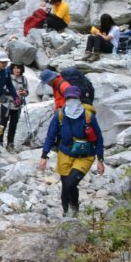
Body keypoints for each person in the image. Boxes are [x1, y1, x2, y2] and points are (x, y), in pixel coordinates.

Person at [38, 86, 104, 218]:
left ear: (79, 99)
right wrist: (44, 156)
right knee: (66, 185)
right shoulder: (60, 116)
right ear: (65, 99)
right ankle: (66, 213)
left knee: (71, 183)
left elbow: (99, 138)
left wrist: (100, 160)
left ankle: (74, 207)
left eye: (74, 98)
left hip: (85, 156)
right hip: (65, 154)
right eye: (69, 98)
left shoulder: (89, 117)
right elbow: (51, 136)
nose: (71, 100)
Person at [0, 63, 28, 151]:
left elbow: (27, 92)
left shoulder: (23, 79)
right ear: (12, 69)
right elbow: (1, 90)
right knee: (2, 124)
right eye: (15, 68)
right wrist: (14, 93)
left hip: (17, 106)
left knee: (13, 125)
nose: (17, 70)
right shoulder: (7, 77)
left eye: (18, 68)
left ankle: (10, 143)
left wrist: (24, 93)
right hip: (6, 104)